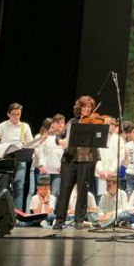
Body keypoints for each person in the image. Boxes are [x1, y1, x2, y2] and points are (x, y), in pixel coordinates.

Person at [52, 96, 100, 230]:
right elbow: (59, 136)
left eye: (89, 107)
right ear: (79, 108)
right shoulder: (72, 122)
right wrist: (60, 141)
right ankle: (59, 219)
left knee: (82, 191)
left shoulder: (93, 123)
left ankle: (79, 220)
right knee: (64, 189)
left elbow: (99, 139)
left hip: (85, 160)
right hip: (69, 159)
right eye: (84, 106)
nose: (87, 109)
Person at [0, 103, 34, 210]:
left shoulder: (24, 126)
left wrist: (28, 147)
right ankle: (1, 210)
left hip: (20, 158)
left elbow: (31, 143)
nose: (16, 117)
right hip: (6, 158)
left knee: (19, 186)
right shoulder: (3, 126)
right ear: (8, 114)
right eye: (14, 114)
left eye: (18, 114)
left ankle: (17, 213)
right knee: (3, 186)